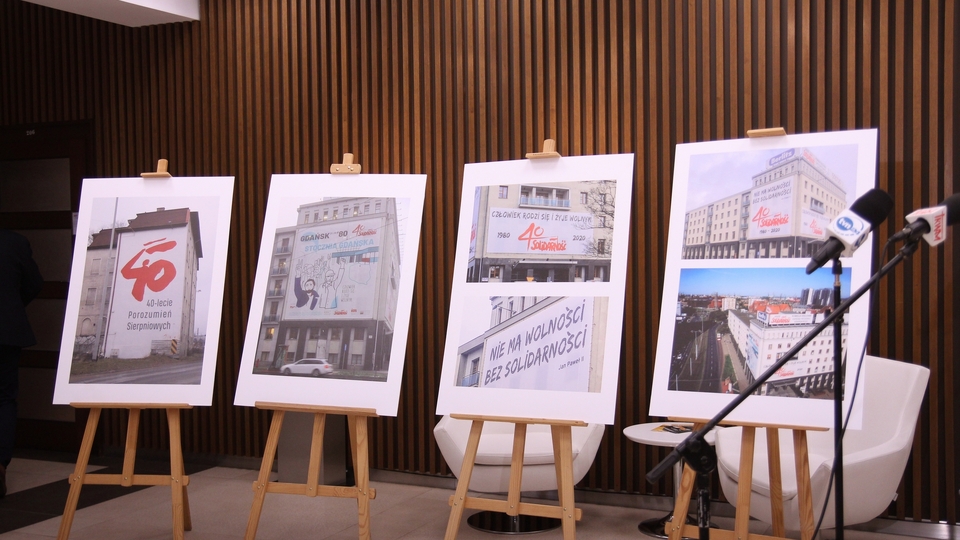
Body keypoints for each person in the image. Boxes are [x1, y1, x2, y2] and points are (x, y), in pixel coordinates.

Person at [0, 229, 44, 497]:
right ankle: (0, 464)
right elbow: (34, 283)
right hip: (6, 332)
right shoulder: (14, 242)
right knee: (4, 398)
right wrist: (12, 307)